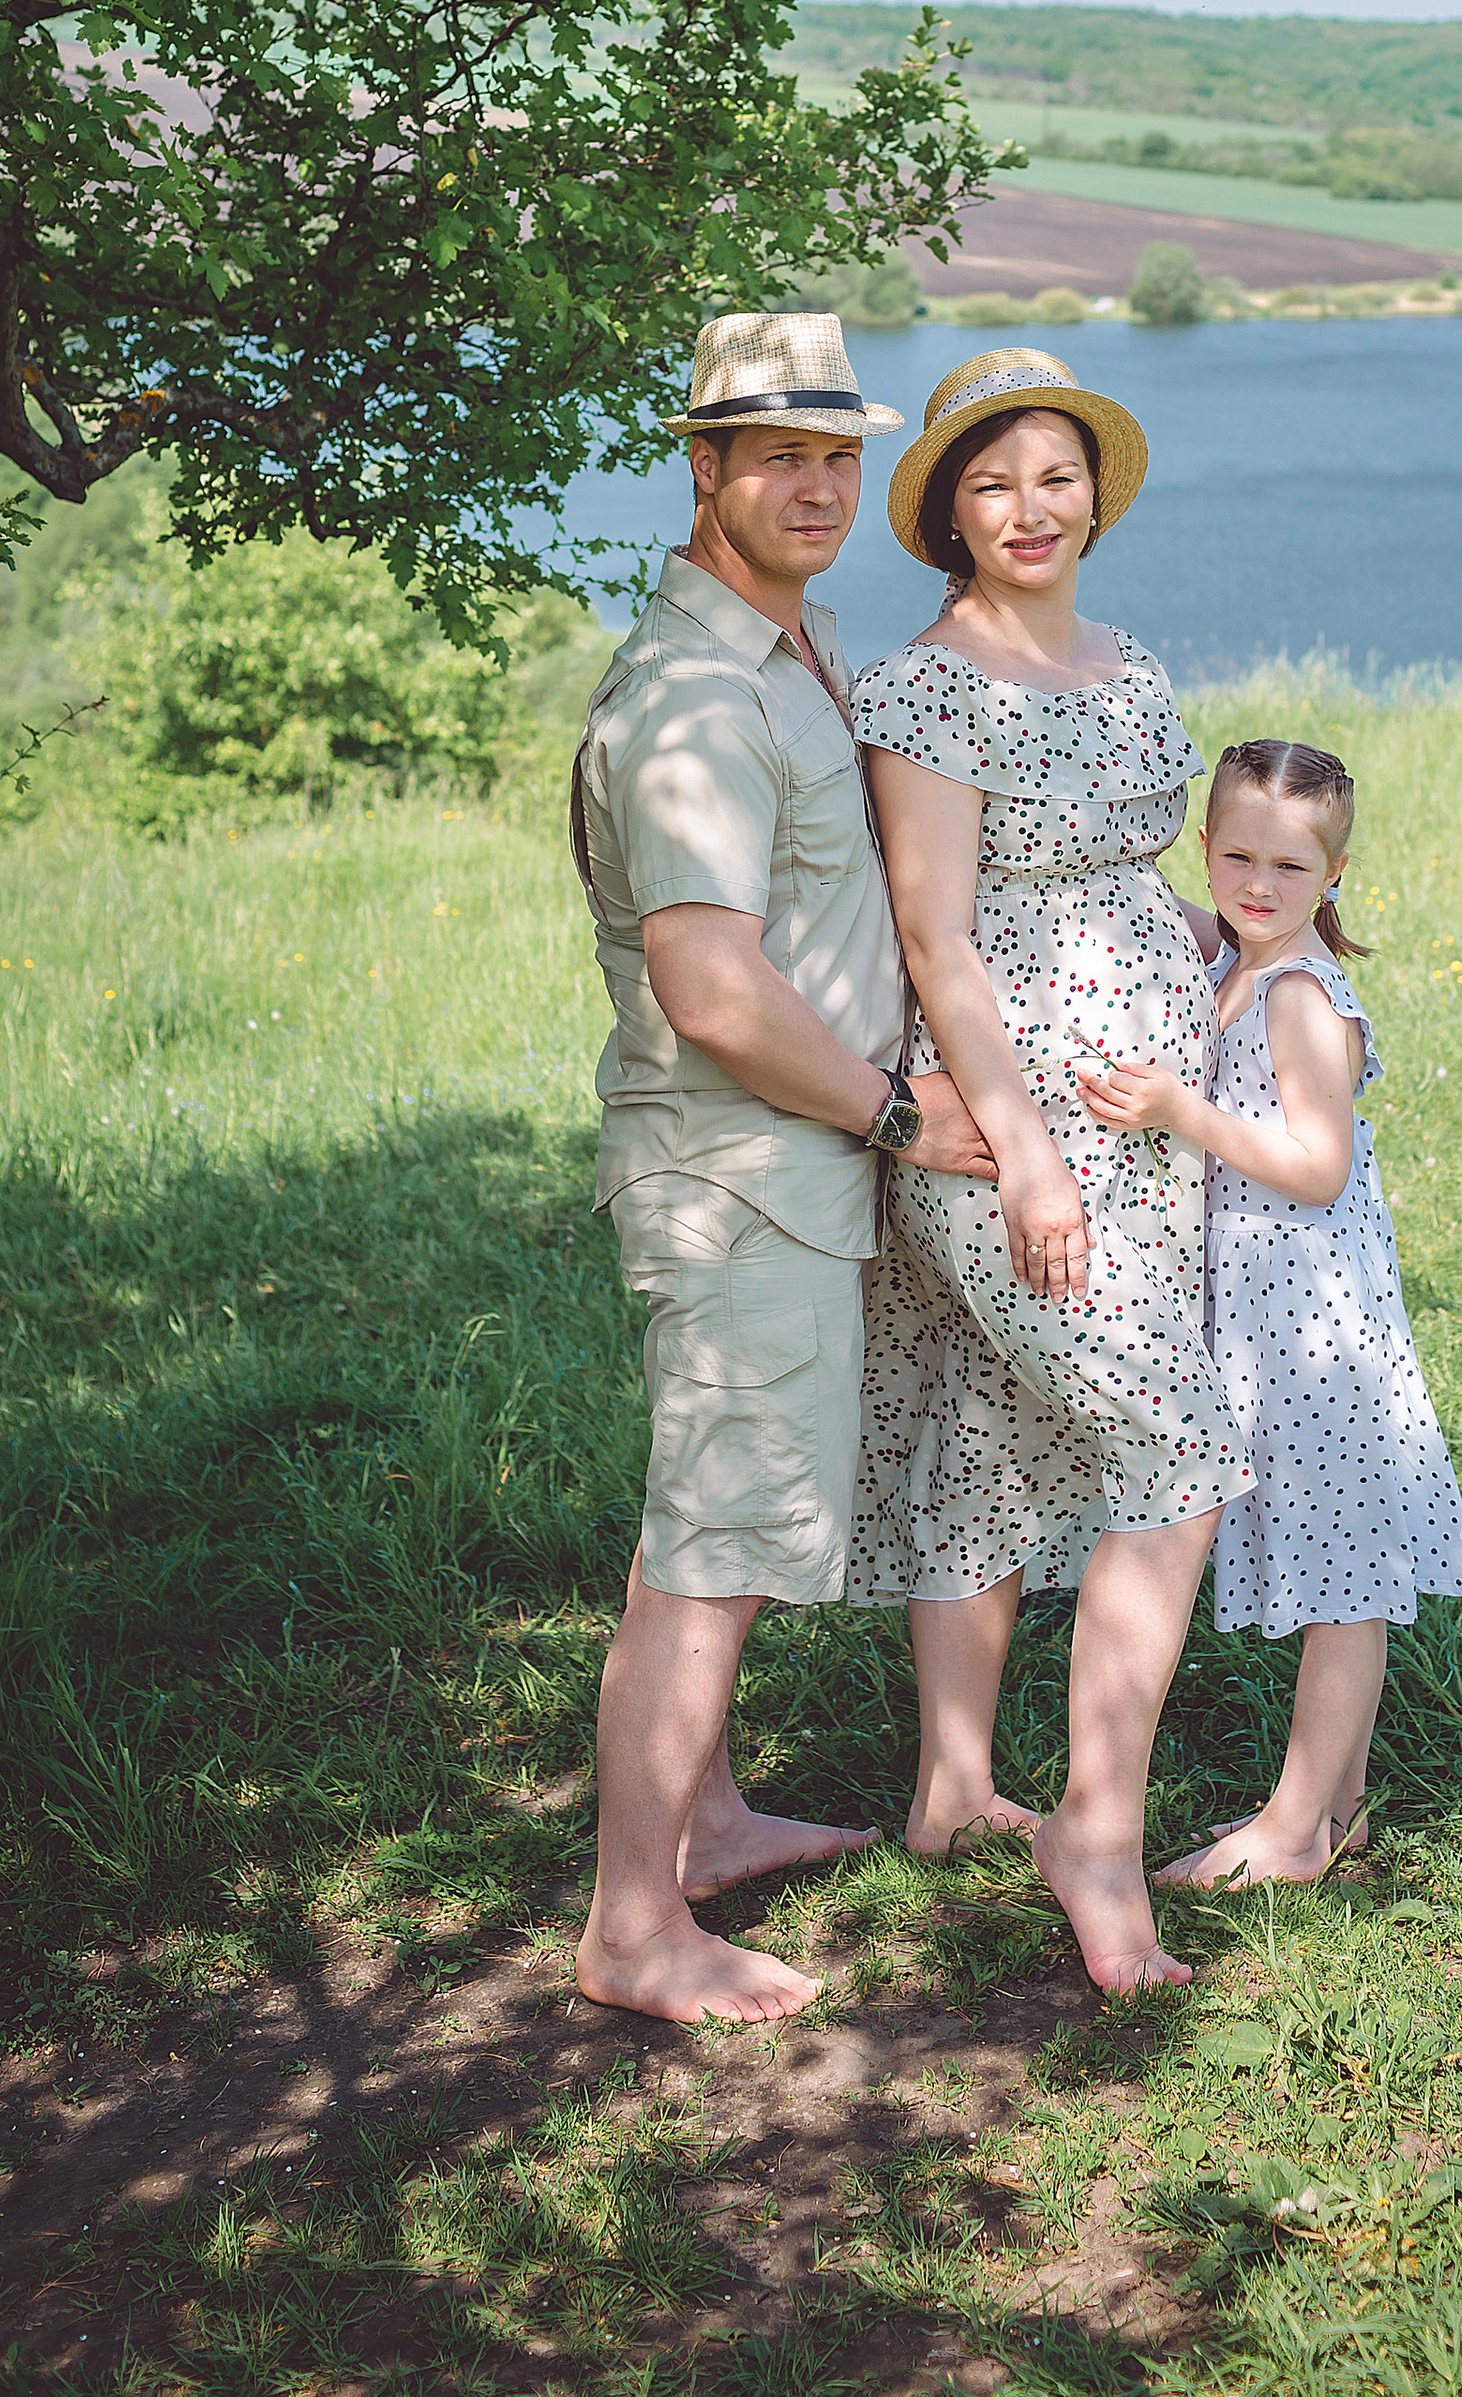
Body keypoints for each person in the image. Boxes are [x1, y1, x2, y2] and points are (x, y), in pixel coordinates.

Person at [568, 311, 997, 2027]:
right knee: (712, 1549)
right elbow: (713, 988)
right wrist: (899, 1113)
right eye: (780, 458)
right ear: (704, 469)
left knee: (707, 1520)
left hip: (775, 1169)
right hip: (744, 1175)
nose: (819, 486)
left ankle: (714, 1820)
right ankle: (631, 1928)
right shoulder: (692, 697)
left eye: (840, 455)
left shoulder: (784, 644)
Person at [849, 347, 1254, 1996]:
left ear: (1096, 492)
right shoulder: (924, 692)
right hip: (1007, 1118)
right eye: (995, 479)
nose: (1032, 506)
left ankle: (954, 1788)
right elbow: (937, 934)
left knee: (992, 1415)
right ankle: (1098, 1823)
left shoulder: (1131, 664)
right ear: (949, 509)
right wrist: (1020, 1154)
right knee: (1173, 1440)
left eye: (1057, 475)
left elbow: (1140, 869)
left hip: (1145, 1110)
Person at [1075, 737, 1462, 1888]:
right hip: (1267, 1314)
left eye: (1290, 868)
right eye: (1237, 855)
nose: (1258, 884)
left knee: (1342, 1578)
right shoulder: (1233, 961)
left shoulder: (1299, 994)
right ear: (1204, 848)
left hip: (1317, 1320)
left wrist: (1176, 1110)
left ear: (1335, 874)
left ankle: (1296, 1828)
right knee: (1333, 1558)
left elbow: (1314, 1167)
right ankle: (1337, 1807)